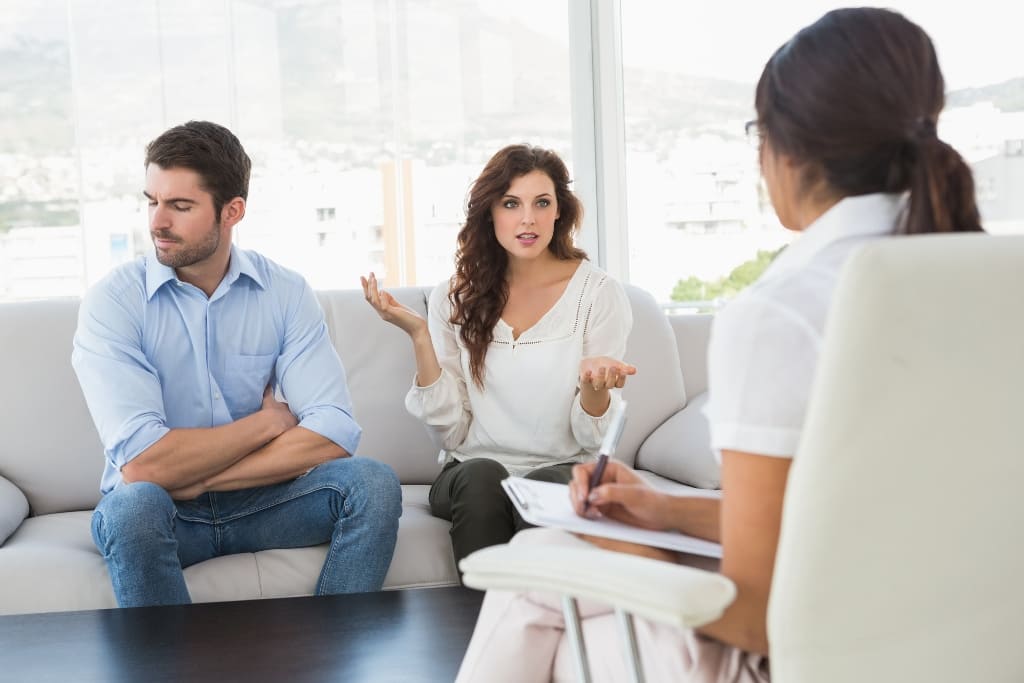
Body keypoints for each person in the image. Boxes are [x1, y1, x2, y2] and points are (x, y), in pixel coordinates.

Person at [455, 8, 984, 682]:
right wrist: (664, 509)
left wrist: (625, 547)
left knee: (534, 581)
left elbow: (758, 616)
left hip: (812, 657)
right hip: (962, 640)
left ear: (784, 148)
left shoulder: (780, 314)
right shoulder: (985, 279)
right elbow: (858, 517)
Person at [72, 121, 403, 608]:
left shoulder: (285, 292)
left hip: (265, 500)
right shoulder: (114, 302)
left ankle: (333, 655)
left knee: (373, 483)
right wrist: (268, 422)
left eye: (180, 206)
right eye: (152, 201)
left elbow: (334, 430)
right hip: (163, 512)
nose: (157, 222)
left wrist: (201, 477)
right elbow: (144, 464)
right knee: (133, 507)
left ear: (233, 212)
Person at [361, 144, 636, 571]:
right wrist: (419, 336)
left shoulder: (598, 294)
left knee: (546, 486)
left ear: (559, 212)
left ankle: (534, 623)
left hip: (562, 468)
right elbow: (452, 436)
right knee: (482, 476)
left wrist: (592, 390)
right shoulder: (455, 296)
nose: (528, 219)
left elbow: (592, 441)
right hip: (469, 474)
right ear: (490, 212)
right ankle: (483, 626)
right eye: (511, 203)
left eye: (542, 203)